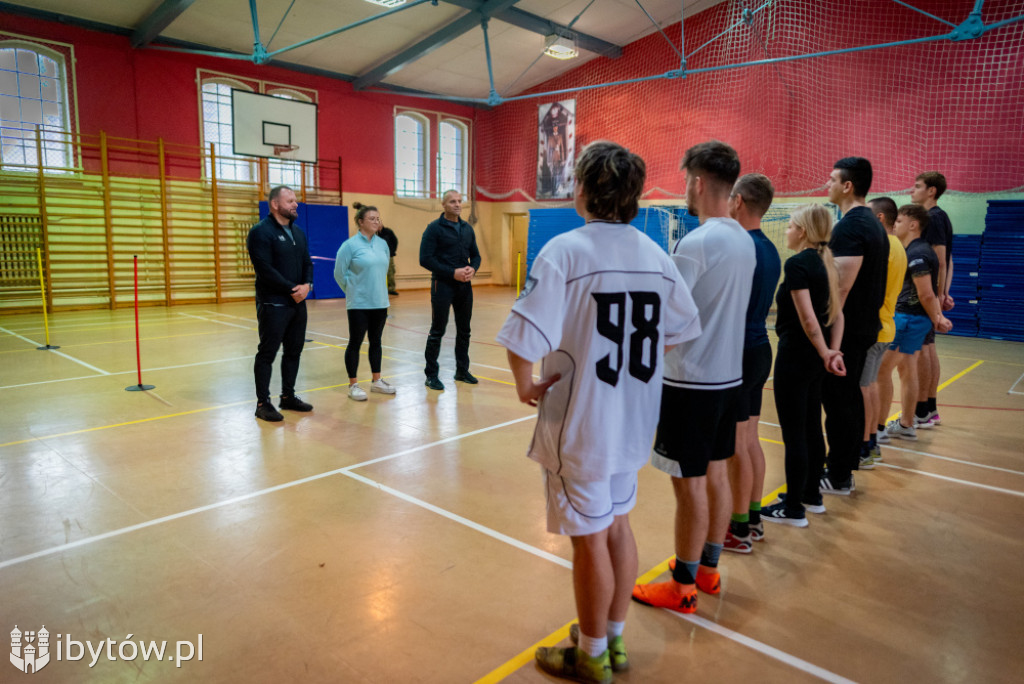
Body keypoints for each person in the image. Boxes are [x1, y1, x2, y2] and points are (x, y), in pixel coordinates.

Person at [497, 141, 700, 683]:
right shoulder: (657, 256)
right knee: (617, 526)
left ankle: (589, 654)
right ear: (634, 196)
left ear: (582, 189)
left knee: (589, 541)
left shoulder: (565, 250)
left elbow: (522, 335)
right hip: (633, 421)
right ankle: (612, 642)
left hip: (582, 426)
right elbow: (681, 329)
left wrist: (526, 384)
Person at [632, 140, 755, 614]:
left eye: (686, 180)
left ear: (698, 183)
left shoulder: (697, 242)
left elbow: (667, 318)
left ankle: (681, 584)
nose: (685, 189)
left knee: (689, 485)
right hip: (728, 379)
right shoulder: (743, 238)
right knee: (717, 474)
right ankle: (707, 568)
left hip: (689, 382)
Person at [761, 205, 846, 526]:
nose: (786, 230)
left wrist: (826, 352)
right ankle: (811, 494)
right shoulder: (828, 264)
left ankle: (794, 508)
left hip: (797, 356)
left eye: (791, 226)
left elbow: (809, 319)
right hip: (815, 358)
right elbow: (838, 315)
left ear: (803, 231)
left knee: (795, 432)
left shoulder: (798, 264)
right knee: (811, 426)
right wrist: (832, 352)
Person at [819, 157, 889, 496]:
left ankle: (839, 474)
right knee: (846, 399)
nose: (827, 184)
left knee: (840, 402)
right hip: (862, 327)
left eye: (832, 179)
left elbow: (841, 288)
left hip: (849, 331)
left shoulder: (852, 226)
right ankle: (842, 467)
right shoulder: (868, 223)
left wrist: (826, 337)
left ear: (848, 186)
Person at [725, 173, 781, 549]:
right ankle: (754, 517)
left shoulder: (740, 248)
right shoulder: (771, 249)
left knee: (735, 446)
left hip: (739, 352)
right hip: (760, 349)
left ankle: (739, 527)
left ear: (739, 201)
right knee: (750, 439)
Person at [878, 205, 953, 441]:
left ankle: (877, 429)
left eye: (899, 221)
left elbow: (926, 294)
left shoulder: (918, 253)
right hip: (914, 319)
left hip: (909, 318)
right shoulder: (914, 250)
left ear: (913, 225)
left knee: (881, 371)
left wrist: (937, 318)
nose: (895, 224)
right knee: (907, 369)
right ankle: (907, 423)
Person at [247, 185, 314, 422]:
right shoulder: (260, 232)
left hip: (297, 303)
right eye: (290, 201)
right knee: (267, 353)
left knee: (294, 351)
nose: (295, 204)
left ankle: (288, 397)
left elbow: (307, 262)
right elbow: (264, 269)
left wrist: (307, 285)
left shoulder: (298, 232)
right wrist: (291, 289)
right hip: (274, 304)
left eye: (295, 201)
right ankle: (263, 403)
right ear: (275, 204)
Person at [420, 190, 481, 391]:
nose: (457, 204)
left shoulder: (467, 229)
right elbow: (425, 259)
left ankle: (462, 371)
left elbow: (476, 256)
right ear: (444, 205)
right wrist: (451, 272)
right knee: (438, 329)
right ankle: (431, 375)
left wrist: (473, 268)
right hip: (443, 285)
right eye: (452, 201)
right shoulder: (434, 229)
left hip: (464, 286)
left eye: (459, 201)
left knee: (465, 330)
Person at [334, 202, 395, 401]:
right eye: (372, 218)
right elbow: (339, 274)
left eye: (378, 218)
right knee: (355, 342)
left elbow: (383, 270)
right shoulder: (349, 245)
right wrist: (353, 291)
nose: (376, 221)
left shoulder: (383, 244)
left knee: (376, 342)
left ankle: (377, 381)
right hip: (359, 304)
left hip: (380, 302)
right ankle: (353, 385)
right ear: (360, 222)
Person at [862, 198, 907, 463]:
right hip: (885, 326)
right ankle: (871, 441)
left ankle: (866, 446)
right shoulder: (896, 246)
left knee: (864, 388)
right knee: (870, 385)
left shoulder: (883, 246)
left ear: (879, 218)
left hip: (875, 327)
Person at [910, 172, 954, 428]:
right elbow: (949, 260)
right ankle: (930, 408)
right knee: (928, 348)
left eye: (917, 187)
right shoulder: (937, 218)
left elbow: (940, 260)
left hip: (923, 295)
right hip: (929, 294)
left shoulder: (934, 218)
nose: (911, 191)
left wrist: (938, 296)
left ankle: (922, 410)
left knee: (923, 350)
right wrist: (944, 292)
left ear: (932, 191)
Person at [377, 222, 400, 296]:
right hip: (378, 256)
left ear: (381, 224)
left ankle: (391, 289)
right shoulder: (374, 234)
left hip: (389, 255)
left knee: (390, 272)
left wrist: (393, 250)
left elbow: (395, 241)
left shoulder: (388, 232)